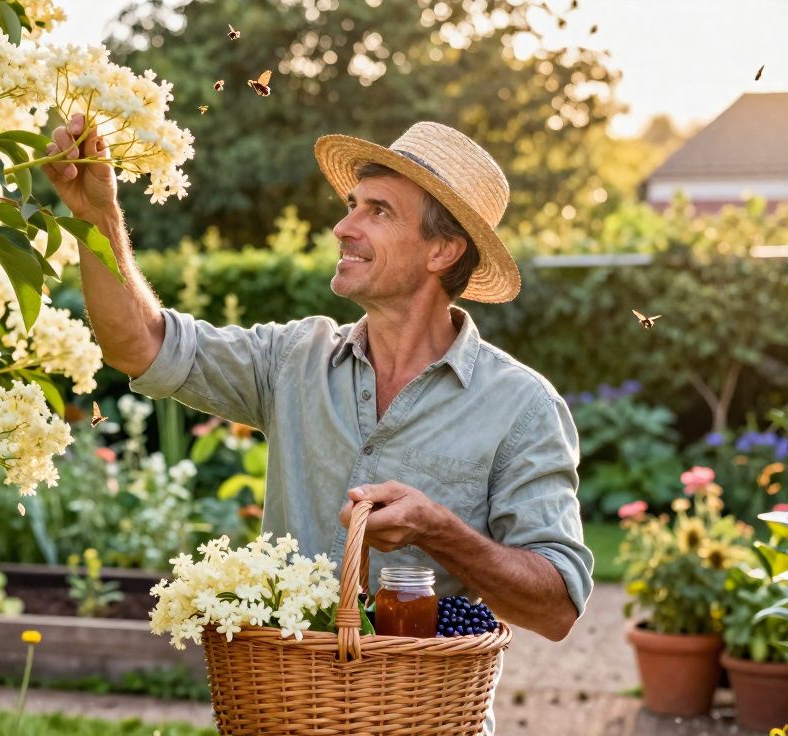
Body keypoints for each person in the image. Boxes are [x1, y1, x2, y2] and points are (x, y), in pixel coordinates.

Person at [42, 113, 592, 730]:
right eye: (352, 204)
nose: (343, 226)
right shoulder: (292, 360)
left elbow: (557, 607)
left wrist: (440, 531)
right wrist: (98, 217)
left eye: (377, 212)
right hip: (285, 714)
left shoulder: (521, 407)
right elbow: (139, 344)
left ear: (443, 249)